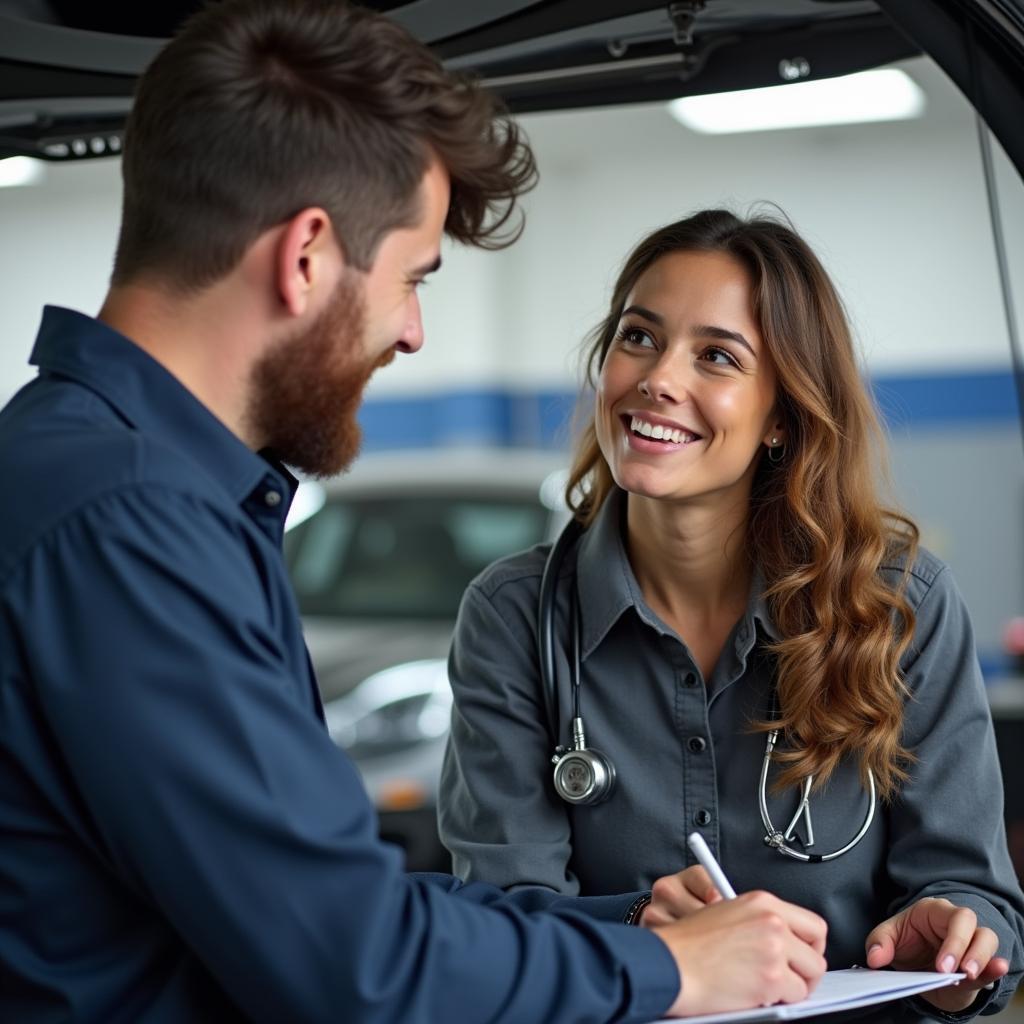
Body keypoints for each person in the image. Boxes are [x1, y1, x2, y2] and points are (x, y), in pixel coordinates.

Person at [0, 4, 835, 1022]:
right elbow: (351, 962)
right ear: (306, 254)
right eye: (410, 278)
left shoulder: (95, 472)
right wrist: (674, 975)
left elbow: (320, 903)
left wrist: (627, 932)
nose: (412, 332)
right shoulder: (133, 520)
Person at [438, 209, 1024, 1019]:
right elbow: (498, 923)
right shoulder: (512, 616)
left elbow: (977, 897)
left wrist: (961, 943)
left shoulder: (899, 607)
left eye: (715, 355)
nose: (657, 378)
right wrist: (642, 929)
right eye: (638, 337)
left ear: (782, 414)